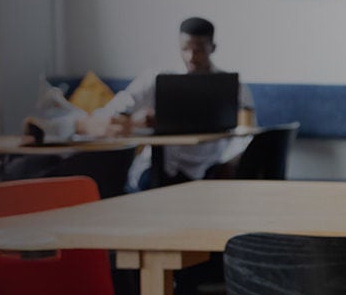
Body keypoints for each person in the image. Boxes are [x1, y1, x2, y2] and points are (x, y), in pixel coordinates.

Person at [76, 17, 255, 191]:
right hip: (159, 168)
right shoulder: (155, 79)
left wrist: (230, 161)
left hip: (210, 168)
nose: (191, 57)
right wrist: (137, 122)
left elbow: (248, 133)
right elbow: (109, 114)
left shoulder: (235, 88)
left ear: (212, 47)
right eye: (185, 48)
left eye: (199, 49)